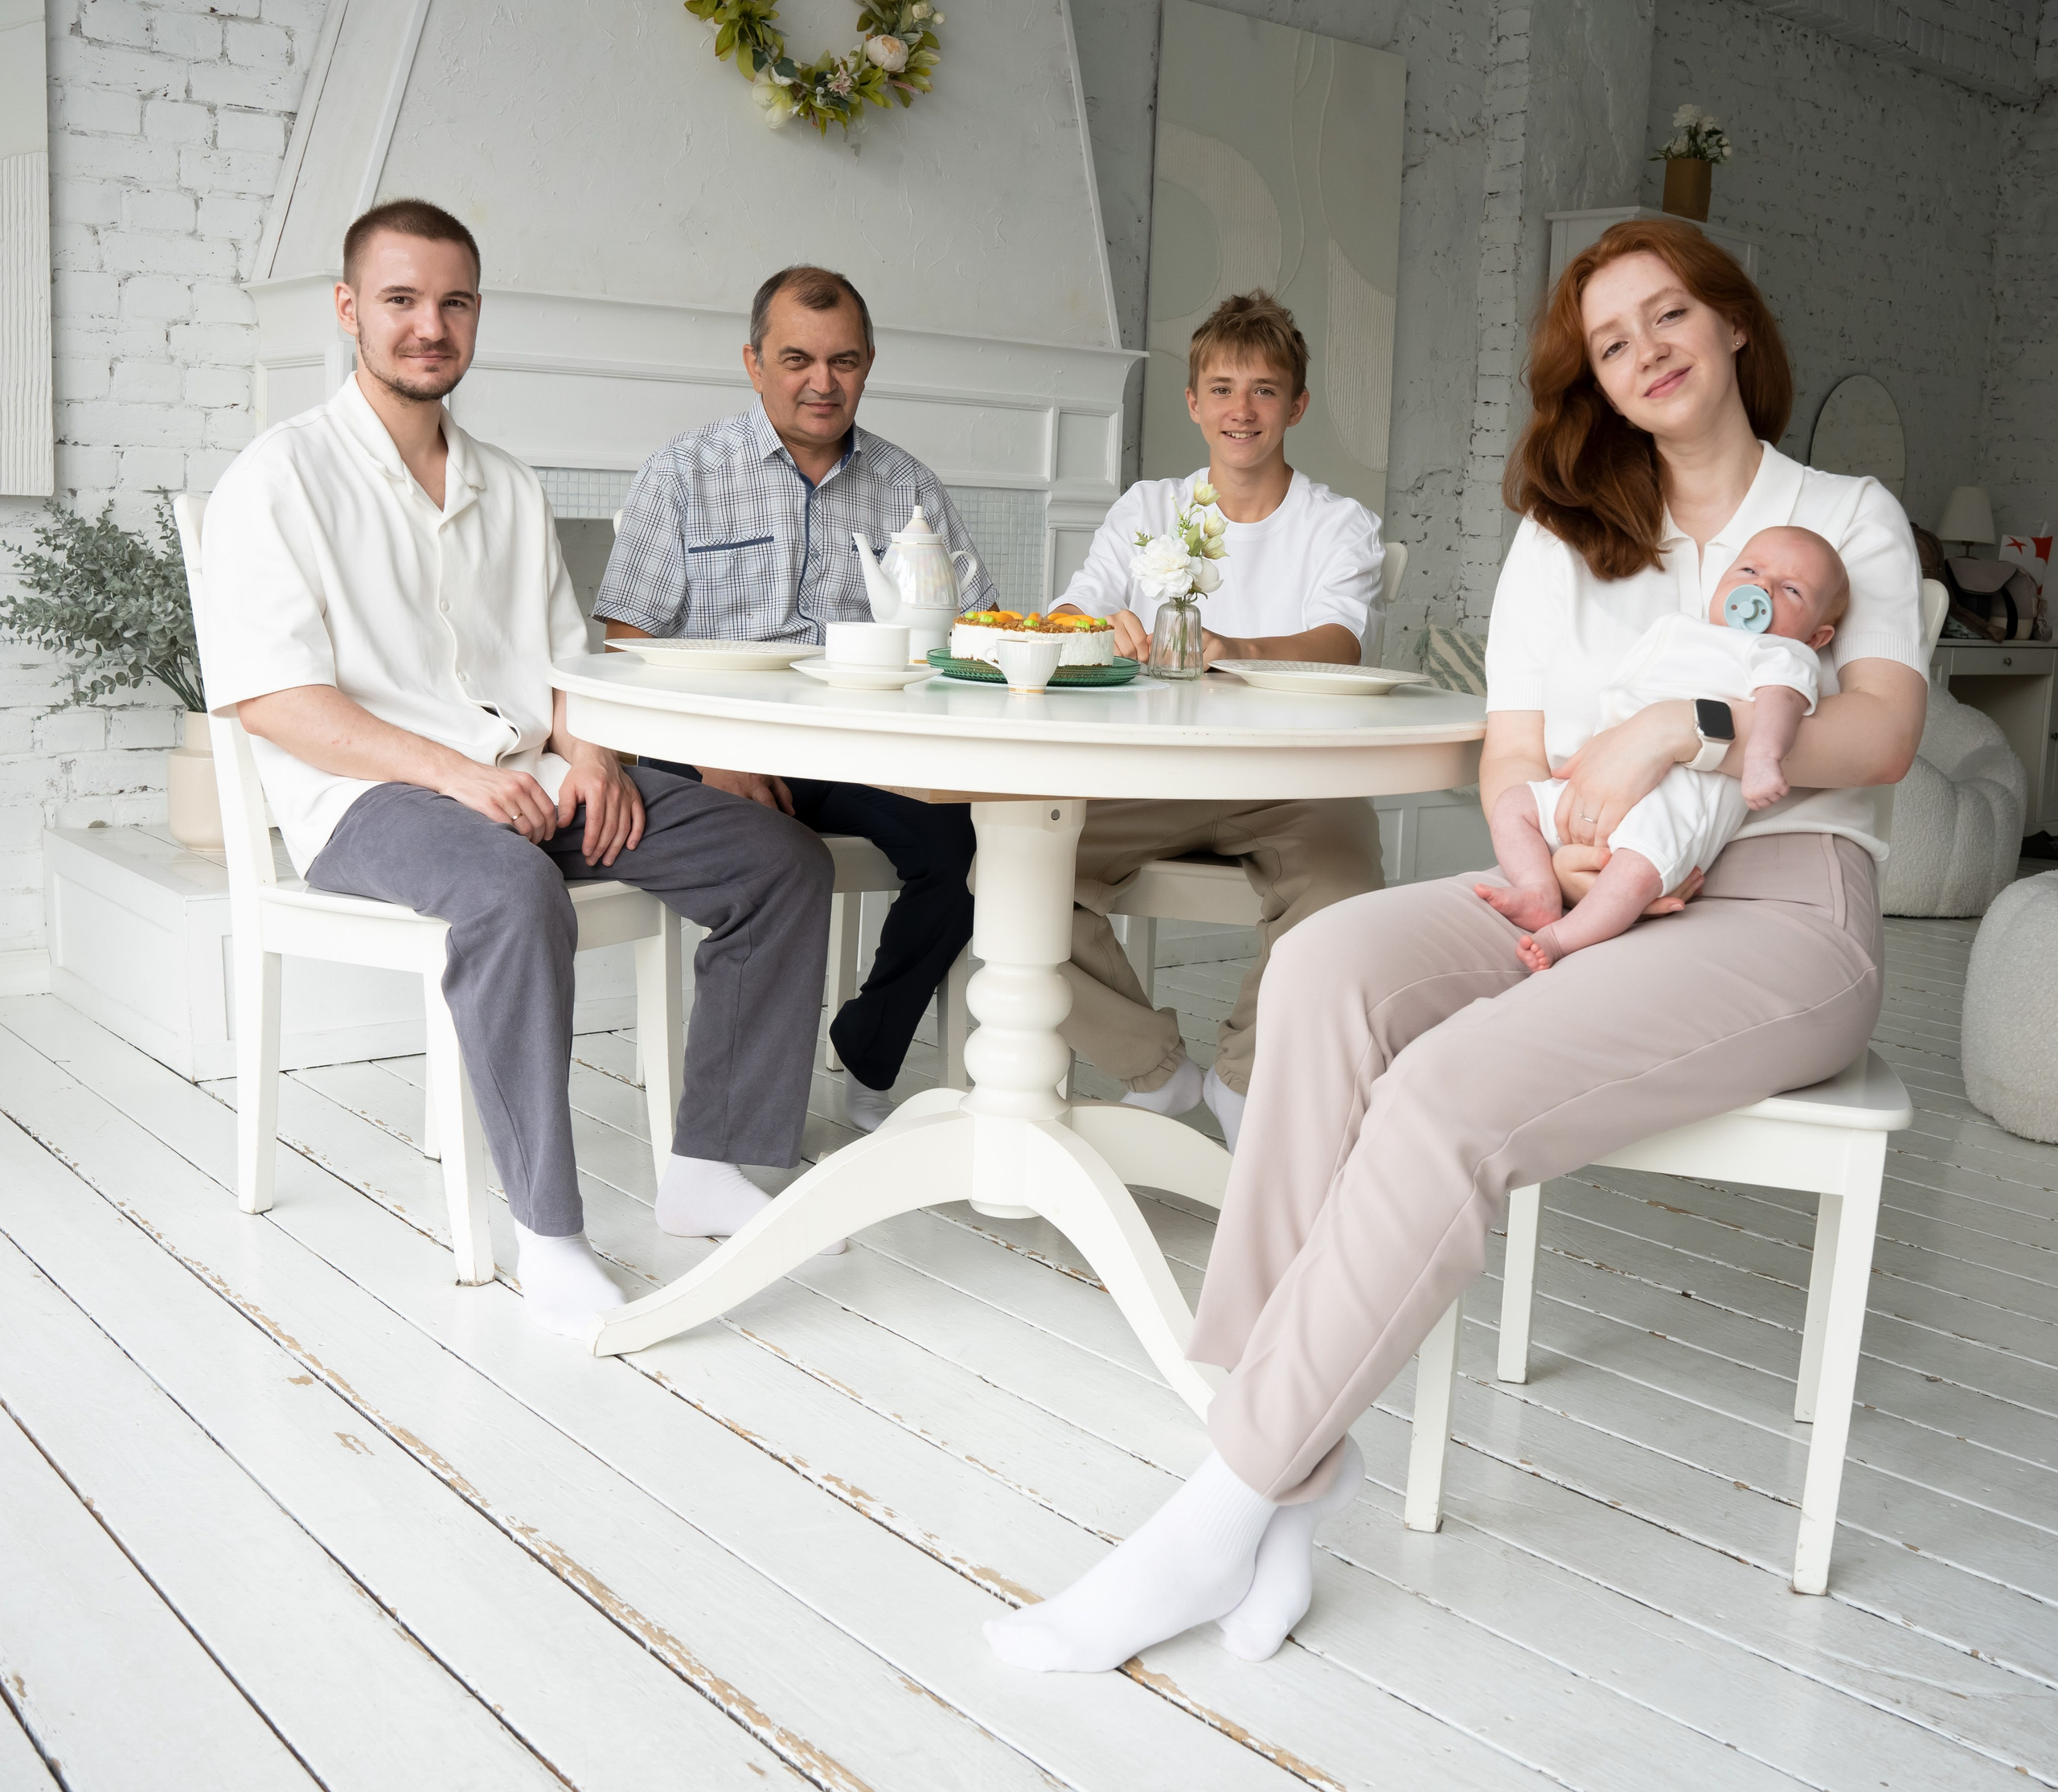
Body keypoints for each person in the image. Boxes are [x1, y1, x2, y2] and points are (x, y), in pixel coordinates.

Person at [985, 217, 1926, 1673]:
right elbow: (1509, 753)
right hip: (1569, 876)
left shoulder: (1842, 509)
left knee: (1441, 1093)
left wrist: (1691, 719)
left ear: (1734, 325)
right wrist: (1535, 861)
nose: (1647, 353)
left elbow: (1881, 729)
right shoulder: (1571, 532)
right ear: (1595, 381)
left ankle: (1214, 1510)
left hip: (1784, 905)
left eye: (1670, 316)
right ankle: (1284, 1479)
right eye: (1612, 343)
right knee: (1321, 970)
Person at [199, 201, 838, 1342]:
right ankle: (547, 1233)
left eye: (452, 302)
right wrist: (454, 776)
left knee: (779, 861)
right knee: (508, 887)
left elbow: (568, 667)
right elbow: (277, 700)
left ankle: (709, 1165)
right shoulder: (280, 476)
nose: (428, 325)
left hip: (527, 780)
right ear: (349, 309)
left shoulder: (511, 485)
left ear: (477, 315)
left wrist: (590, 752)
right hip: (371, 803)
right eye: (400, 299)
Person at [596, 265, 996, 1134]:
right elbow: (623, 639)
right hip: (711, 745)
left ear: (869, 362)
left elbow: (966, 631)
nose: (823, 382)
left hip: (858, 750)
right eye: (797, 360)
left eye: (844, 361)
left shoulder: (909, 487)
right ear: (753, 363)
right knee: (775, 865)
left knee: (969, 847)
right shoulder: (685, 472)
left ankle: (869, 1045)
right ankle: (738, 1118)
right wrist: (714, 756)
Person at [1047, 293, 1388, 1148]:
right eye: (1224, 388)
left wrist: (1232, 647)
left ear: (1297, 406)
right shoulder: (1148, 508)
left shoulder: (1337, 523)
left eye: (1266, 390)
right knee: (1012, 875)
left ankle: (1242, 1081)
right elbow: (1070, 608)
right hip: (1150, 779)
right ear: (1193, 402)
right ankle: (1157, 1073)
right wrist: (1097, 625)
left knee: (1344, 900)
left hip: (1295, 785)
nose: (1243, 410)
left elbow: (1339, 644)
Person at [1482, 523, 1849, 968]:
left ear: (1816, 637)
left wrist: (1763, 758)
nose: (1761, 588)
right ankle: (1538, 891)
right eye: (1749, 570)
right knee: (1513, 805)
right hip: (1593, 783)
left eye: (1790, 590)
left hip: (1673, 803)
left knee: (1636, 871)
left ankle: (1562, 939)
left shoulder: (1781, 654)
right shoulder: (1679, 630)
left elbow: (1781, 703)